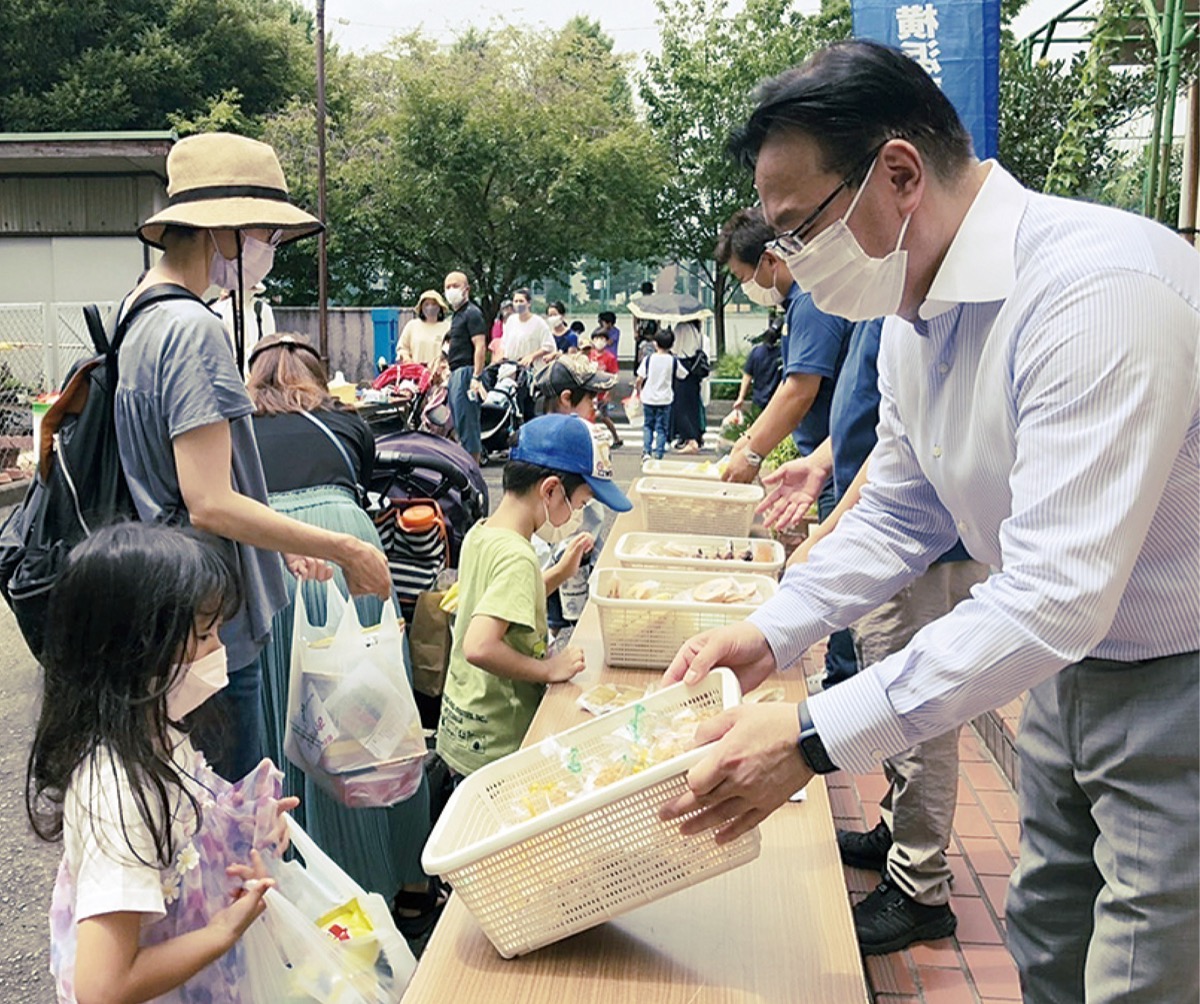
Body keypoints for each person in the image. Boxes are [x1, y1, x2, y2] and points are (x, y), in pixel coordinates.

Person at [664, 41, 1199, 1004]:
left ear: (899, 173)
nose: (790, 264)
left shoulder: (1097, 289)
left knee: (1147, 965)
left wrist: (812, 739)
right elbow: (898, 512)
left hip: (1179, 671)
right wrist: (772, 629)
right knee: (1047, 928)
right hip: (1074, 672)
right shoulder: (919, 319)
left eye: (799, 230)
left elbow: (1050, 597)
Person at [116, 132, 391, 782]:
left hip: (167, 615)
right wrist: (345, 548)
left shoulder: (140, 314)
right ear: (227, 231)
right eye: (266, 230)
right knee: (237, 828)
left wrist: (273, 545)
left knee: (194, 818)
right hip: (209, 624)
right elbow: (209, 500)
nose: (269, 246)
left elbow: (193, 483)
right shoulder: (192, 330)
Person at [759, 316, 990, 954]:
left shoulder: (929, 307)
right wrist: (818, 464)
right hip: (895, 538)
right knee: (897, 701)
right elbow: (883, 432)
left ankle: (919, 887)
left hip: (921, 550)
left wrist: (827, 532)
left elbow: (912, 459)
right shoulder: (883, 310)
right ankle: (897, 832)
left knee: (918, 714)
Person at [27, 523, 296, 1003]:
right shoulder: (118, 793)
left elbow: (188, 827)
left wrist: (247, 830)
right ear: (137, 649)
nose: (221, 651)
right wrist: (222, 932)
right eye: (206, 635)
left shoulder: (158, 730)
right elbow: (103, 987)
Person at [245, 333, 443, 947]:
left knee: (287, 711)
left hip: (266, 548)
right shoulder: (345, 422)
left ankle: (302, 878)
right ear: (316, 376)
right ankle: (401, 880)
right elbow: (358, 483)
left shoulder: (236, 428)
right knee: (371, 702)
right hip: (344, 541)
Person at [435, 414, 632, 778]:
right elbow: (479, 646)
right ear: (551, 489)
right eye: (582, 502)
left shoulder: (484, 533)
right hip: (496, 741)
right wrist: (547, 669)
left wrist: (559, 573)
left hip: (463, 726)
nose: (580, 514)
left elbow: (503, 606)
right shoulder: (519, 557)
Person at [715, 206, 853, 489]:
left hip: (833, 465)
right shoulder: (799, 301)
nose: (747, 287)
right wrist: (747, 441)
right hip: (826, 458)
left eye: (744, 278)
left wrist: (752, 454)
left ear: (769, 259)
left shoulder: (810, 301)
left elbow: (799, 391)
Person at [533, 356, 620, 632]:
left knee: (557, 620)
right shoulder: (575, 440)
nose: (594, 406)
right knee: (565, 619)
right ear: (567, 398)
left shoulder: (533, 436)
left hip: (570, 552)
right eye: (590, 399)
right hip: (563, 553)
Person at [443, 270, 488, 464]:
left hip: (466, 372)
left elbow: (480, 346)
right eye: (447, 287)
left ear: (466, 289)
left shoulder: (472, 313)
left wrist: (476, 378)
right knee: (459, 425)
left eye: (456, 285)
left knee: (468, 427)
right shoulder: (457, 316)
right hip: (455, 373)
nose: (451, 290)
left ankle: (474, 471)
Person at [636, 327, 688, 460]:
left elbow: (639, 379)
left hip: (648, 398)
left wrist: (638, 391)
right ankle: (658, 453)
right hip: (665, 399)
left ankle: (646, 452)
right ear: (671, 345)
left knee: (648, 425)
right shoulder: (673, 360)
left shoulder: (648, 359)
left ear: (655, 343)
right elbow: (683, 375)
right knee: (661, 428)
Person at [214, 281, 275, 374]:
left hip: (255, 370)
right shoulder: (218, 309)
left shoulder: (262, 309)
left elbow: (270, 344)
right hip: (226, 370)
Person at [668, 320, 708, 453]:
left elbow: (675, 347)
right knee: (693, 405)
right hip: (694, 368)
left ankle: (690, 439)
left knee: (681, 406)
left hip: (682, 366)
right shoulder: (696, 329)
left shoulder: (681, 327)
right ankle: (695, 436)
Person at [729, 322, 783, 416]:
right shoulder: (783, 354)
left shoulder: (756, 352)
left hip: (758, 402)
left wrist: (741, 398)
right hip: (777, 402)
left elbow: (747, 376)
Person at [500, 288, 555, 366]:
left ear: (529, 303)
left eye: (521, 301)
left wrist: (532, 356)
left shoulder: (539, 323)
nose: (518, 304)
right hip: (512, 366)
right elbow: (504, 343)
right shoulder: (511, 321)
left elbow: (549, 346)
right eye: (516, 301)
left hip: (532, 368)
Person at [587, 328, 623, 446]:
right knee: (589, 415)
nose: (599, 341)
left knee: (603, 417)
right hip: (590, 391)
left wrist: (609, 392)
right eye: (597, 338)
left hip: (602, 391)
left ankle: (615, 437)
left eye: (602, 339)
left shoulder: (610, 357)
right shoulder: (589, 355)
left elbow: (614, 375)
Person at [397, 290, 451, 369]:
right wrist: (408, 361)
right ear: (421, 307)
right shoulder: (412, 326)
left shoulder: (448, 327)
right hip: (416, 373)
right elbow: (402, 348)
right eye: (426, 304)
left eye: (434, 304)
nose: (430, 307)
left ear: (440, 307)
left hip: (441, 374)